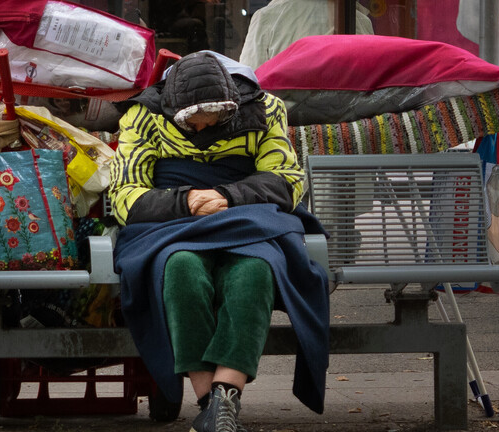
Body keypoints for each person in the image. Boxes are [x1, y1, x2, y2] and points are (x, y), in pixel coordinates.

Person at [109, 51, 330, 431]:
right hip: (170, 224)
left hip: (246, 216)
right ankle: (213, 407)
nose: (199, 129)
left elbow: (288, 179)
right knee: (180, 270)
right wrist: (186, 200)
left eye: (207, 121)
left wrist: (229, 196)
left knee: (255, 272)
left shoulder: (265, 109)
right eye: (190, 123)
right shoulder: (141, 115)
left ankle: (223, 401)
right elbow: (124, 194)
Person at [239, 0, 374, 69]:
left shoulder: (267, 17)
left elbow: (249, 84)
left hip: (287, 118)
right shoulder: (360, 20)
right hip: (348, 120)